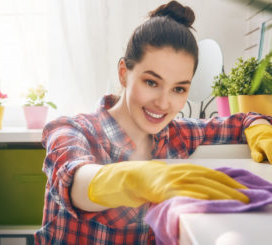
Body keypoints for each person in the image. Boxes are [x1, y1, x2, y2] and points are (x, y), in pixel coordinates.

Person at [35, 1, 272, 244]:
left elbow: (242, 120)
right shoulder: (73, 130)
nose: (163, 103)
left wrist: (260, 129)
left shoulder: (177, 135)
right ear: (124, 73)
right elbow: (74, 181)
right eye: (151, 82)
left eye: (179, 89)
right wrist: (134, 179)